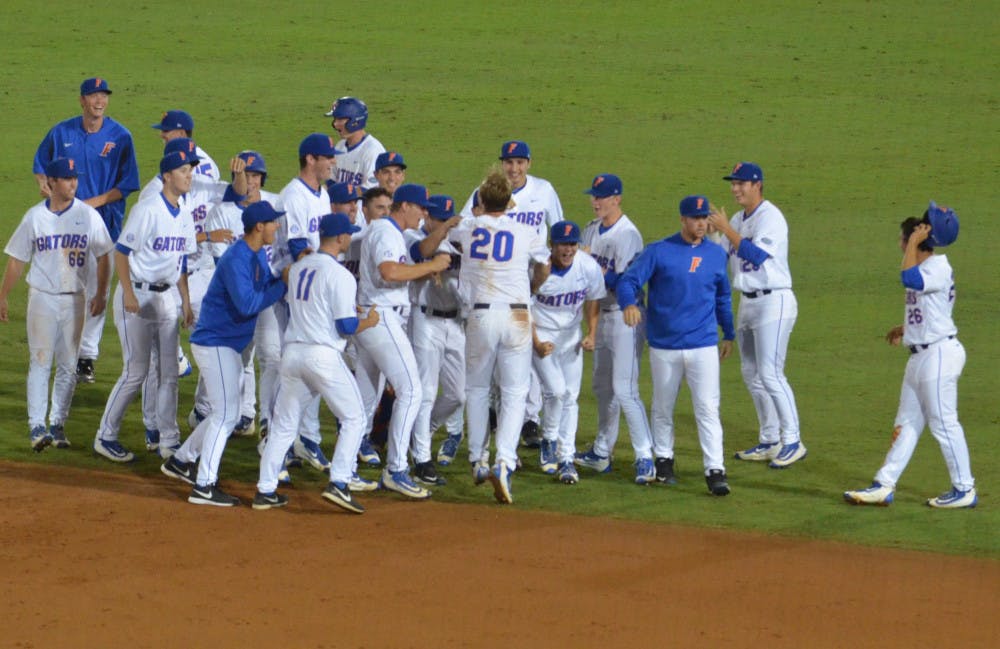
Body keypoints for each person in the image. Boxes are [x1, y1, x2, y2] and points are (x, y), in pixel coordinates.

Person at [844, 204, 976, 509]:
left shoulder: (937, 266)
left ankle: (964, 487)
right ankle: (884, 484)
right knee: (906, 422)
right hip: (921, 355)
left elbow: (910, 280)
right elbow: (932, 307)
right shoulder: (927, 267)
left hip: (939, 355)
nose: (902, 244)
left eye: (904, 239)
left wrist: (913, 244)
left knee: (944, 422)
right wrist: (907, 328)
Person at [161, 201, 288, 506]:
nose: (277, 227)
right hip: (215, 343)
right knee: (227, 415)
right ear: (259, 226)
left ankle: (181, 460)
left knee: (227, 412)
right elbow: (247, 303)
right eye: (273, 223)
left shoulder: (255, 253)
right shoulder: (237, 257)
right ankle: (204, 485)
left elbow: (262, 284)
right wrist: (281, 287)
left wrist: (280, 278)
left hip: (226, 344)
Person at [256, 213, 379, 513]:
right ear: (339, 239)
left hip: (293, 354)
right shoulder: (341, 275)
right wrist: (369, 321)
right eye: (348, 234)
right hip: (322, 357)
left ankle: (265, 489)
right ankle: (339, 482)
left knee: (284, 425)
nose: (350, 237)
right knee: (355, 418)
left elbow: (318, 305)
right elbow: (345, 327)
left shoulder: (297, 269)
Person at [617, 195, 736, 495]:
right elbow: (628, 282)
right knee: (663, 407)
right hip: (665, 345)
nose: (700, 223)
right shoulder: (659, 251)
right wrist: (629, 304)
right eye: (695, 218)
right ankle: (664, 460)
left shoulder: (716, 255)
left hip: (703, 344)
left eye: (704, 218)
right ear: (682, 219)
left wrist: (729, 333)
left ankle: (715, 470)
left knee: (708, 408)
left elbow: (723, 298)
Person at [450, 169, 551, 504]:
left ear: (480, 200)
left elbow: (453, 236)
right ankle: (504, 461)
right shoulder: (525, 230)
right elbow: (544, 265)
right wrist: (532, 286)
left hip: (480, 315)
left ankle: (478, 460)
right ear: (509, 201)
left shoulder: (467, 228)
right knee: (514, 392)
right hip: (518, 315)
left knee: (477, 389)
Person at [92, 150, 199, 463]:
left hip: (166, 299)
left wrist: (186, 301)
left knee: (168, 373)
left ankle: (168, 440)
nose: (189, 175)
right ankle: (105, 436)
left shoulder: (185, 213)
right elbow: (122, 252)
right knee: (136, 372)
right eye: (183, 170)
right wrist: (127, 292)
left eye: (190, 171)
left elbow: (180, 262)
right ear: (167, 175)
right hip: (136, 297)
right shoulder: (148, 209)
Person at [1, 158, 114, 450]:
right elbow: (16, 260)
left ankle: (58, 423)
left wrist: (101, 293)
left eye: (75, 177)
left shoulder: (88, 216)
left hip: (76, 300)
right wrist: (2, 296)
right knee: (40, 361)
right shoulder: (34, 217)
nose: (73, 183)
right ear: (51, 183)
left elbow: (104, 256)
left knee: (67, 365)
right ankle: (37, 425)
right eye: (67, 179)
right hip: (42, 298)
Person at [33, 77, 140, 384]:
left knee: (97, 289)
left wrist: (92, 204)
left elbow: (127, 183)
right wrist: (44, 184)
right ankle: (64, 348)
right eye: (93, 96)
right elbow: (41, 164)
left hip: (104, 224)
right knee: (65, 286)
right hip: (65, 224)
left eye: (103, 96)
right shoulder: (62, 132)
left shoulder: (120, 137)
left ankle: (87, 356)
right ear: (82, 100)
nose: (99, 101)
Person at [459, 140, 563, 446]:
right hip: (514, 293)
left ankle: (526, 422)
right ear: (502, 164)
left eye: (520, 162)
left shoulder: (544, 191)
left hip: (521, 291)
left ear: (528, 163)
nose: (514, 168)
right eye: (509, 162)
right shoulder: (487, 192)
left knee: (520, 360)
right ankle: (506, 443)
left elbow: (558, 228)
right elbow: (471, 218)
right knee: (512, 366)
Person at [354, 184, 451, 499]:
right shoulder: (385, 231)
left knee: (367, 398)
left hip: (373, 315)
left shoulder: (389, 231)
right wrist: (432, 267)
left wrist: (424, 265)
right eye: (420, 208)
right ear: (405, 205)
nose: (424, 214)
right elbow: (389, 272)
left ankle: (346, 467)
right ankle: (396, 469)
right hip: (381, 317)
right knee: (411, 390)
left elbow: (406, 260)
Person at [706, 162, 806, 468]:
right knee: (752, 374)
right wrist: (713, 234)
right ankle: (770, 438)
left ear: (757, 185)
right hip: (747, 302)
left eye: (741, 184)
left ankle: (793, 440)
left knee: (772, 373)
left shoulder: (771, 217)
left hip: (774, 301)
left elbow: (756, 255)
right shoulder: (737, 218)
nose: (735, 189)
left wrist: (726, 229)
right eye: (733, 184)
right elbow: (719, 258)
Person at [575, 174, 654, 483]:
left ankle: (645, 457)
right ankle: (601, 452)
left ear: (617, 198)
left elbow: (626, 282)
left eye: (602, 196)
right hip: (602, 316)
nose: (596, 201)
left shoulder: (628, 235)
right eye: (593, 196)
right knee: (602, 388)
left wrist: (591, 267)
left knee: (626, 389)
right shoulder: (590, 230)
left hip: (627, 316)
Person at [271, 133, 338, 472]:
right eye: (327, 157)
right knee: (291, 367)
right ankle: (276, 440)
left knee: (308, 366)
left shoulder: (322, 194)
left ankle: (303, 439)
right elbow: (300, 248)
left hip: (308, 291)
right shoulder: (294, 195)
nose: (333, 162)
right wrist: (324, 283)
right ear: (310, 159)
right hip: (290, 294)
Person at [529, 220, 605, 485]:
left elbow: (593, 299)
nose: (568, 249)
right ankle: (549, 439)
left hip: (571, 338)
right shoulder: (539, 269)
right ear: (552, 245)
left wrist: (591, 332)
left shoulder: (588, 266)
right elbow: (522, 305)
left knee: (570, 397)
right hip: (541, 336)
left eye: (572, 244)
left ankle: (566, 458)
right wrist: (536, 341)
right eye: (563, 244)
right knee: (556, 391)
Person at [405, 194, 464, 487]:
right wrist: (444, 234)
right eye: (440, 219)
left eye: (448, 219)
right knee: (426, 392)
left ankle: (423, 430)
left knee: (458, 394)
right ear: (427, 217)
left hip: (456, 324)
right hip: (425, 321)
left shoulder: (459, 241)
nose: (445, 225)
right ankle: (422, 460)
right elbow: (421, 252)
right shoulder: (412, 234)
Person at [327, 96, 384, 188]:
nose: (335, 124)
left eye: (340, 120)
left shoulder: (373, 151)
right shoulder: (340, 147)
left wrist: (341, 196)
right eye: (335, 119)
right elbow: (331, 182)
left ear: (355, 121)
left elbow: (370, 190)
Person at [151, 109, 219, 180]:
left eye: (166, 131)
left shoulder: (180, 163)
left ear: (181, 133)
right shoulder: (208, 160)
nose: (161, 135)